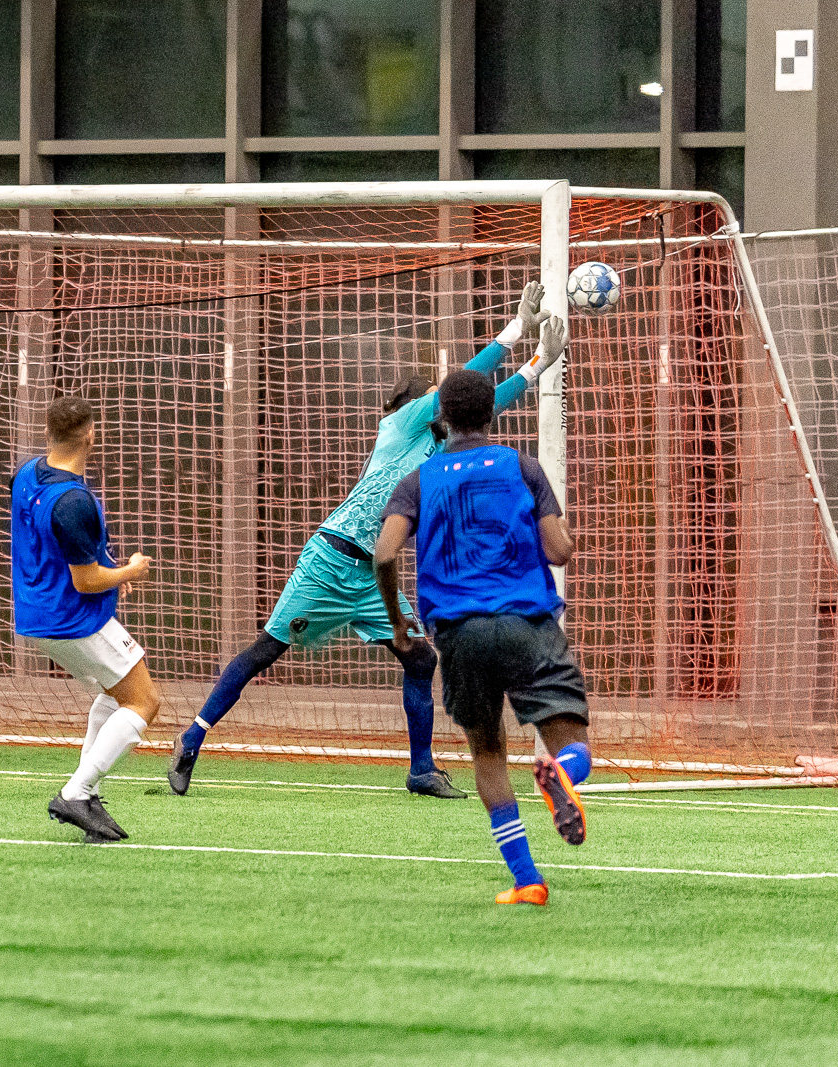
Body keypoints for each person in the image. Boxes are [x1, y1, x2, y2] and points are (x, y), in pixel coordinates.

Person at [168, 281, 568, 799]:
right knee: (267, 649)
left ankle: (421, 770)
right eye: (431, 396)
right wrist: (516, 333)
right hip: (331, 561)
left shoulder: (444, 450)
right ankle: (192, 739)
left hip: (371, 575)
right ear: (419, 406)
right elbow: (464, 385)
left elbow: (480, 402)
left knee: (420, 659)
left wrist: (537, 365)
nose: (439, 399)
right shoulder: (399, 426)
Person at [373, 368, 593, 907]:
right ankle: (559, 773)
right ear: (492, 415)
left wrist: (398, 623)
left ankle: (527, 881)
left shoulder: (419, 480)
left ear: (442, 419)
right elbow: (559, 552)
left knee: (488, 752)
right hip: (528, 625)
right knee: (574, 742)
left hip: (460, 630)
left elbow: (383, 553)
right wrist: (567, 535)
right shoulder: (523, 468)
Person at [11, 394, 160, 843]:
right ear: (91, 434)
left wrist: (109, 570)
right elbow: (85, 581)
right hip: (73, 618)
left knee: (115, 693)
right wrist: (128, 571)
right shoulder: (72, 501)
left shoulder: (27, 473)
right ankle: (76, 792)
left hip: (36, 612)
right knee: (144, 701)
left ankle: (87, 791)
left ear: (49, 432)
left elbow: (69, 551)